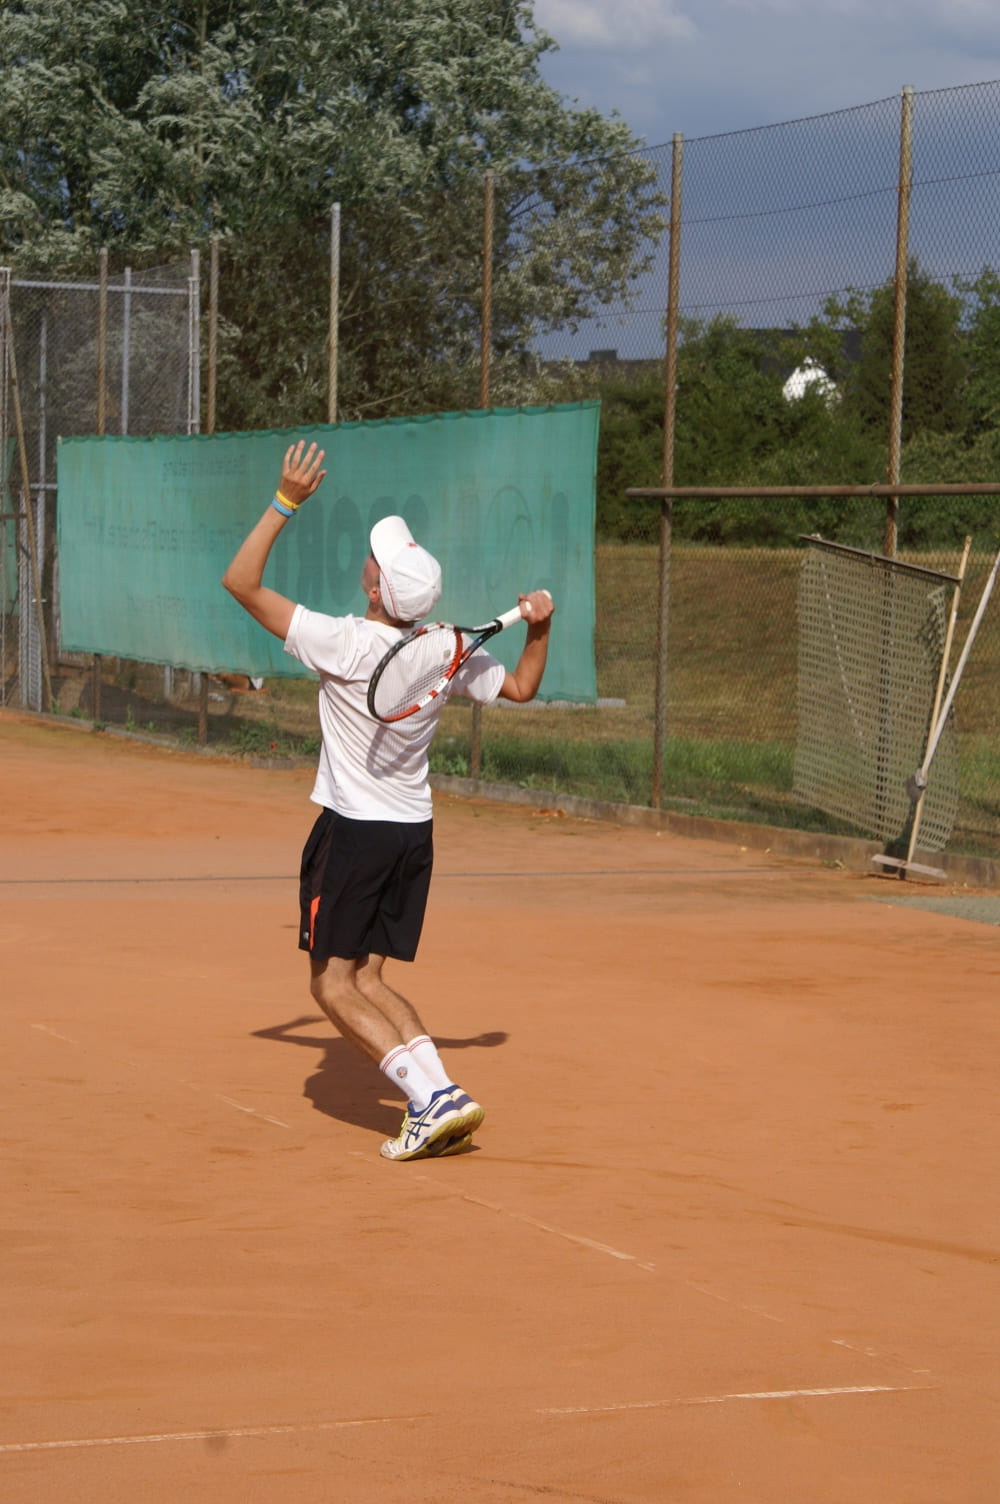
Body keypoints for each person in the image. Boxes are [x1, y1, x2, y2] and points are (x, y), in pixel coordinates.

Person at [222, 439, 555, 1161]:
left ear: (376, 589)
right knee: (369, 974)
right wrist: (542, 626)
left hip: (354, 836)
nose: (371, 560)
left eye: (377, 559)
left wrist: (285, 499)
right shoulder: (443, 647)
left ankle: (427, 1099)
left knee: (332, 985)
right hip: (413, 835)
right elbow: (524, 688)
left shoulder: (341, 642)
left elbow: (241, 582)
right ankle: (445, 1091)